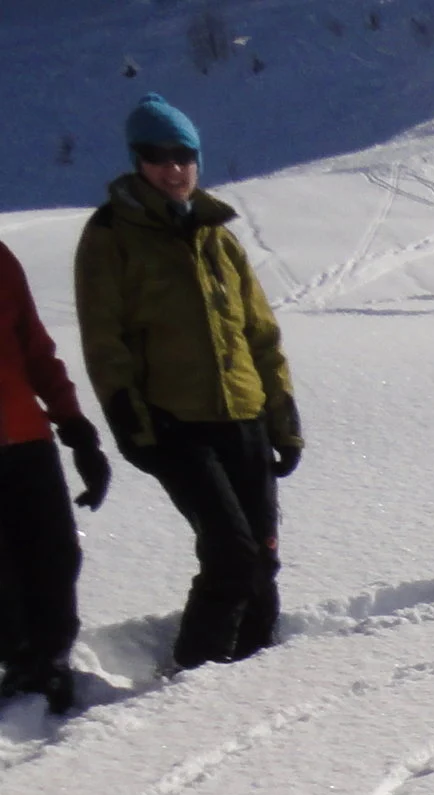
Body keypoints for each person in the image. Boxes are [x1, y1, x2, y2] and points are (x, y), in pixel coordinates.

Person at [75, 94, 302, 672]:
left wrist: (283, 418)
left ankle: (256, 670)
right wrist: (128, 419)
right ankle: (196, 674)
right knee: (231, 555)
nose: (173, 168)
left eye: (183, 155)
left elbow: (260, 335)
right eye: (158, 156)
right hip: (176, 422)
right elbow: (105, 339)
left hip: (244, 415)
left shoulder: (218, 236)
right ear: (137, 161)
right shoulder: (112, 236)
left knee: (264, 558)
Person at [0, 239, 111, 713]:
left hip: (28, 440)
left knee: (56, 556)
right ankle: (24, 670)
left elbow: (35, 349)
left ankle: (53, 663)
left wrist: (76, 427)